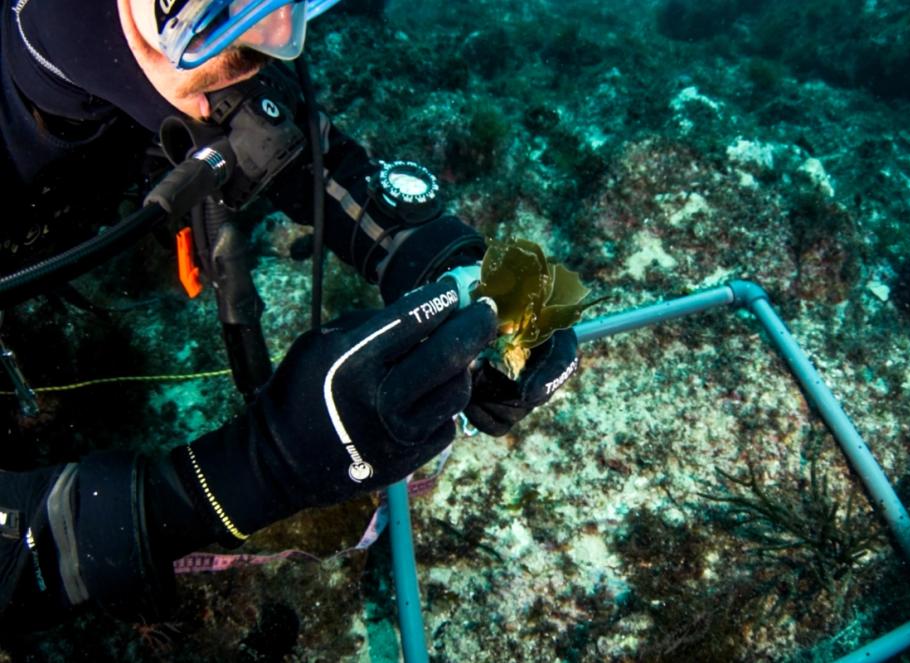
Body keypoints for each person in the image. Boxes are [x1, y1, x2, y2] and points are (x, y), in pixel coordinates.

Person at [0, 0, 580, 628]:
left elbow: (309, 160)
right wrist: (254, 470)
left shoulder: (188, 54)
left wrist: (463, 269)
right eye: (217, 2)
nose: (282, 39)